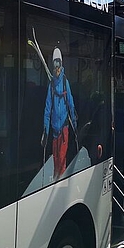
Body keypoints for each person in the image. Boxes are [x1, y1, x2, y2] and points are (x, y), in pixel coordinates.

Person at [42, 47, 77, 180]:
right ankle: (56, 181)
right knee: (55, 159)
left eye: (59, 63)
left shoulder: (64, 82)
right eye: (55, 64)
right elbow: (47, 108)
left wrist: (74, 123)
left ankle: (60, 183)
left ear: (61, 65)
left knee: (61, 160)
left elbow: (71, 103)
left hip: (63, 128)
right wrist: (45, 130)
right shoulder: (51, 85)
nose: (57, 67)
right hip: (54, 130)